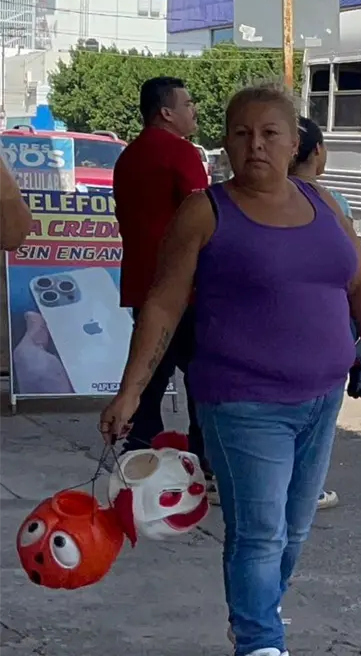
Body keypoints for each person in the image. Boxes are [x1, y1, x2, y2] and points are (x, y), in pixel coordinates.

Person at [100, 81, 361, 656]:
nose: (255, 144)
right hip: (243, 402)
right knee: (260, 533)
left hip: (321, 398)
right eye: (241, 133)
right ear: (227, 144)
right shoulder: (206, 211)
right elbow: (163, 304)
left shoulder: (322, 204)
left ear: (293, 144)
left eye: (269, 133)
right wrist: (131, 392)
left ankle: (255, 614)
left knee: (295, 528)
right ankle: (261, 641)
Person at [112, 77, 211, 477]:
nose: (193, 110)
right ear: (166, 112)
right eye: (187, 103)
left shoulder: (127, 157)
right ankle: (206, 458)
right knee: (201, 376)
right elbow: (201, 216)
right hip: (184, 287)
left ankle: (138, 453)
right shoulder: (181, 153)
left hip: (142, 284)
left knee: (149, 374)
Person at [290, 116, 351, 511]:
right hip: (324, 342)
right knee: (313, 430)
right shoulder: (332, 203)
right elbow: (356, 276)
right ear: (317, 152)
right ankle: (306, 490)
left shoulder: (245, 202)